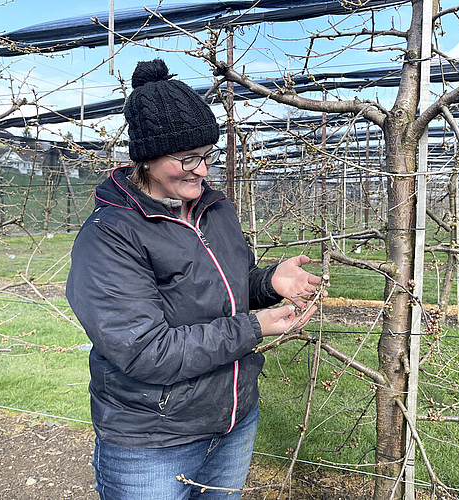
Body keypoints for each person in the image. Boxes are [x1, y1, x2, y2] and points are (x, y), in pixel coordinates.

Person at [66, 58, 325, 500]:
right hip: (154, 438)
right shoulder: (110, 236)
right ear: (146, 158)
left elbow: (225, 287)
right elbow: (147, 351)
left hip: (234, 420)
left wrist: (267, 283)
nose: (203, 169)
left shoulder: (216, 209)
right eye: (188, 159)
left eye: (207, 155)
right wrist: (255, 327)